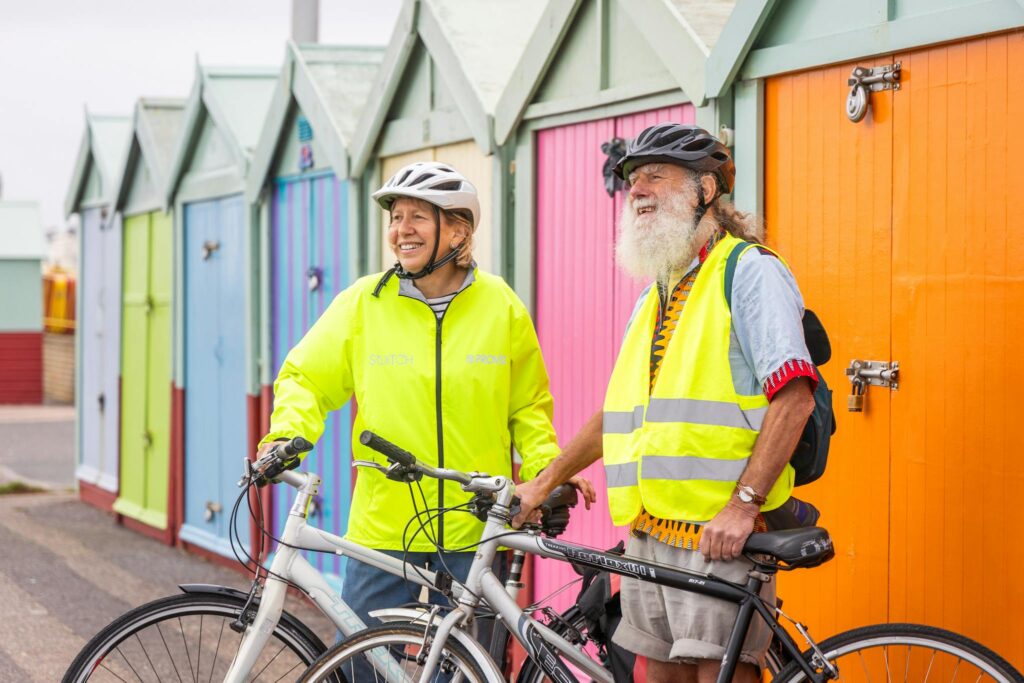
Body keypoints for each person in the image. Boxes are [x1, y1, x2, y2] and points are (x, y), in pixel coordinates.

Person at [514, 123, 818, 682]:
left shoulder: (747, 272)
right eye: (632, 178)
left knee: (715, 673)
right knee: (653, 673)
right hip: (650, 535)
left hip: (719, 533)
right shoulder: (658, 289)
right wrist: (542, 480)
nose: (637, 188)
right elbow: (618, 414)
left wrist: (744, 504)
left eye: (656, 174)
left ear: (705, 189)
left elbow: (794, 396)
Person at [256, 161, 595, 643]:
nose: (400, 230)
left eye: (417, 216)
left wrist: (545, 470)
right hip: (383, 526)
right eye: (395, 217)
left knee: (462, 667)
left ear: (457, 231)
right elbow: (305, 377)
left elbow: (527, 407)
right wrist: (289, 434)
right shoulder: (363, 303)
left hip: (472, 527)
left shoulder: (500, 305)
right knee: (360, 665)